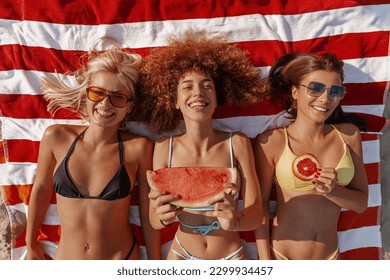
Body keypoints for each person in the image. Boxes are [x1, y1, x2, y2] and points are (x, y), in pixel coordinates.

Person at [25, 37, 160, 260]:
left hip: (121, 259)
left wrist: (156, 265)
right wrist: (30, 243)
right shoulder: (56, 137)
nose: (105, 104)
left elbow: (148, 213)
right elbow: (40, 190)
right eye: (98, 93)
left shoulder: (139, 148)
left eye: (117, 97)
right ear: (86, 94)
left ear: (129, 107)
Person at [137, 30, 266, 260]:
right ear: (174, 101)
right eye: (187, 87)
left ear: (217, 98)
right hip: (181, 254)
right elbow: (154, 221)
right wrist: (163, 217)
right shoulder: (163, 146)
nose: (198, 92)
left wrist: (235, 220)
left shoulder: (236, 143)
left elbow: (257, 213)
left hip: (230, 256)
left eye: (207, 86)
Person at [254, 52, 368, 260]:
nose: (325, 99)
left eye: (335, 91)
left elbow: (361, 203)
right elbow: (258, 207)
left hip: (330, 257)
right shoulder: (273, 141)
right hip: (283, 257)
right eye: (315, 88)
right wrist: (265, 263)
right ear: (295, 91)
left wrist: (333, 191)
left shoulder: (348, 135)